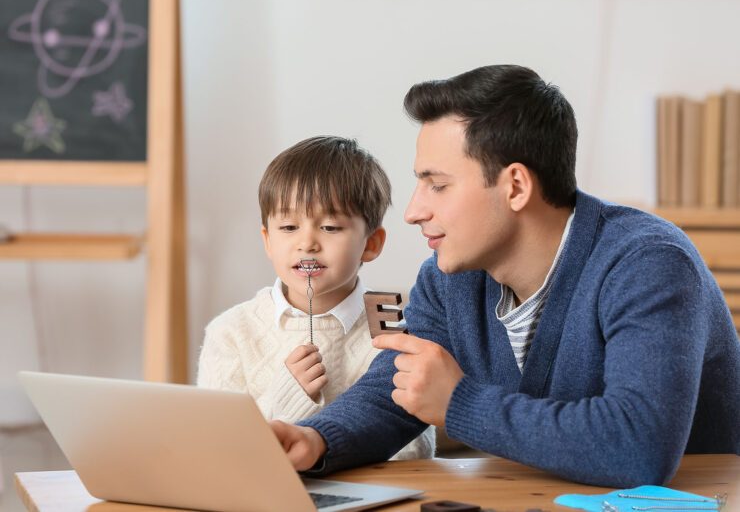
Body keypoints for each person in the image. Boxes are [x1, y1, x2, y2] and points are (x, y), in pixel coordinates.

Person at [270, 66, 740, 487]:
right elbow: (395, 388)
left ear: (515, 186)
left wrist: (459, 404)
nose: (414, 211)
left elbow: (638, 447)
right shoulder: (449, 277)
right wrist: (316, 440)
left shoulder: (648, 264)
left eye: (438, 184)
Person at [197, 136, 435, 460]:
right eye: (289, 226)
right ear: (267, 240)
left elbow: (416, 450)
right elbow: (214, 451)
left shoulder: (391, 321)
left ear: (372, 243)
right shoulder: (231, 331)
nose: (307, 243)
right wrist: (284, 402)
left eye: (330, 227)